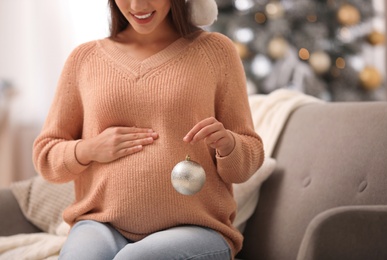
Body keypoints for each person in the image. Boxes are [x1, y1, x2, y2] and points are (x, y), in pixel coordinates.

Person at [32, 0, 264, 259]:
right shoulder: (84, 59)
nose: (137, 5)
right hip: (100, 225)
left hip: (197, 229)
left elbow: (248, 158)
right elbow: (46, 156)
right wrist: (88, 149)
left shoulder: (215, 51)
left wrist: (228, 145)